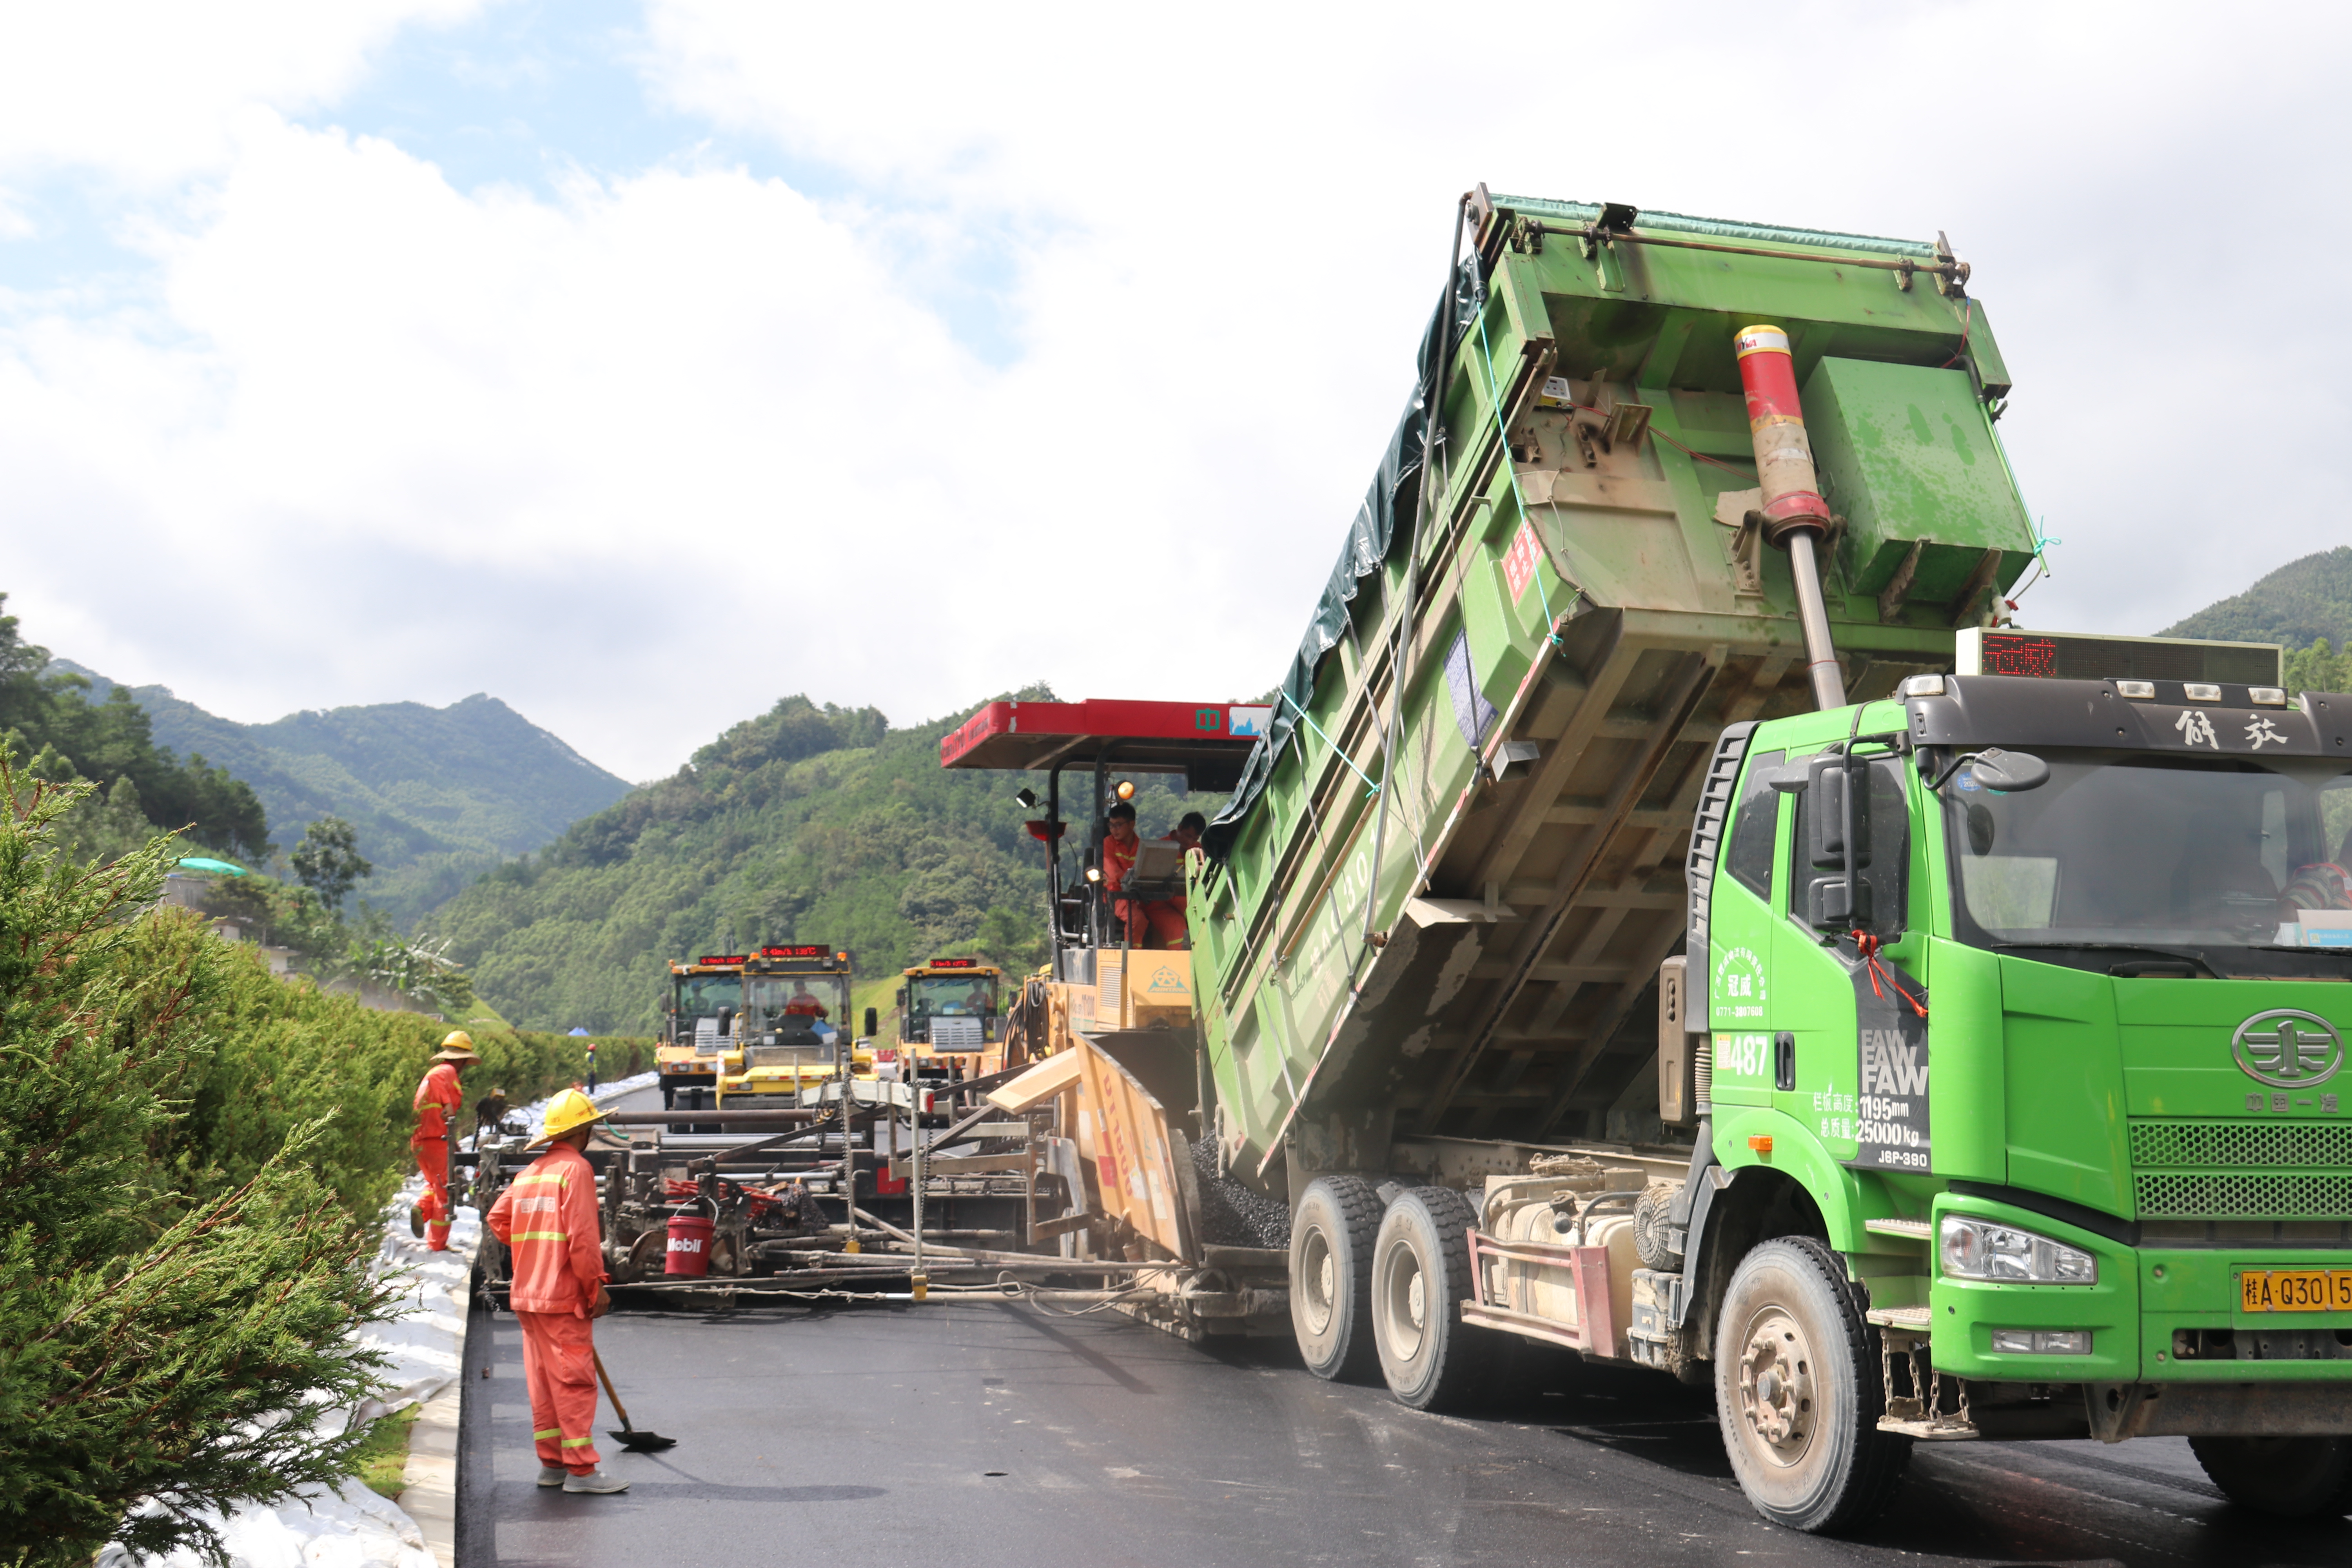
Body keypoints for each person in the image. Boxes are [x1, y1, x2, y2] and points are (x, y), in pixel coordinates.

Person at [485, 1089, 629, 1495]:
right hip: (562, 1296)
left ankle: (552, 1465)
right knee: (573, 1381)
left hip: (528, 1296)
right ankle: (581, 1471)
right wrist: (594, 1285)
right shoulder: (576, 1170)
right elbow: (583, 1239)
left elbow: (499, 1218)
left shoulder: (531, 1173)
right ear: (583, 1129)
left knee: (544, 1382)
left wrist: (535, 1251)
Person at [411, 1033, 479, 1252]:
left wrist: (454, 1141)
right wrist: (449, 1107)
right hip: (435, 1140)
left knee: (434, 1183)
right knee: (445, 1192)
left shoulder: (435, 1074)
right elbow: (444, 1102)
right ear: (461, 1059)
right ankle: (437, 1244)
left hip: (421, 1140)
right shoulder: (446, 1071)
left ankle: (421, 1211)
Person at [1101, 802, 1145, 944]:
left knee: (1167, 917)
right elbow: (1113, 874)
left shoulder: (1142, 847)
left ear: (1132, 825)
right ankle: (1133, 956)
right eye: (1111, 825)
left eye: (1118, 825)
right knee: (1137, 920)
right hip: (1115, 895)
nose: (1114, 830)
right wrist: (1134, 880)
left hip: (1140, 895)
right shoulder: (1108, 843)